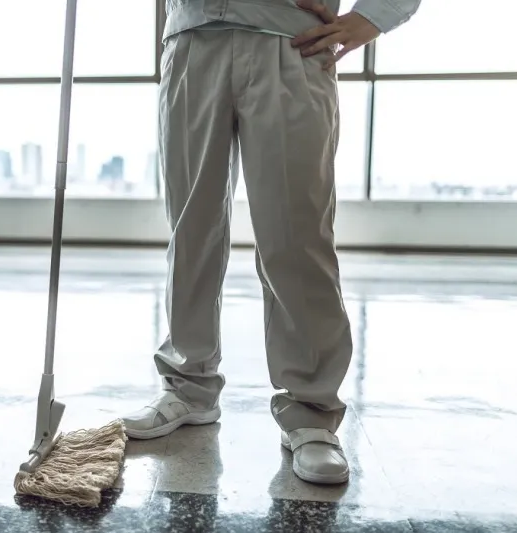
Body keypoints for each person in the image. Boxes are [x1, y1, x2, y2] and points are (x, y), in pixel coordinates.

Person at [122, 0, 422, 485]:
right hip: (192, 41)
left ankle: (310, 411)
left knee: (297, 234)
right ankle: (188, 386)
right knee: (190, 227)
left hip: (292, 45)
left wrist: (377, 15)